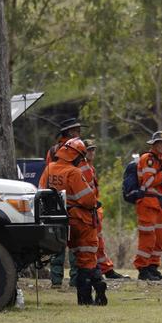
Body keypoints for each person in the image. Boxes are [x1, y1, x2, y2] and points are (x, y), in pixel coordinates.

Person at [40, 137, 107, 306]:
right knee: (86, 258)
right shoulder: (74, 172)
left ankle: (96, 291)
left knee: (80, 257)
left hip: (61, 222)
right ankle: (87, 297)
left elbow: (42, 192)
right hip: (81, 221)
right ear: (74, 155)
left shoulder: (49, 169)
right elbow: (87, 199)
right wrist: (95, 203)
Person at [40, 118, 82, 288]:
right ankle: (75, 280)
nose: (79, 133)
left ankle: (56, 280)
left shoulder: (53, 150)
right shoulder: (76, 149)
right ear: (69, 132)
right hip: (73, 202)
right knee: (74, 243)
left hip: (54, 202)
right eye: (76, 130)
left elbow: (48, 173)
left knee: (58, 240)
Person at [82, 139, 129, 280]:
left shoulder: (90, 167)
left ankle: (106, 269)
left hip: (94, 210)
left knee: (99, 241)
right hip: (88, 210)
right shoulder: (82, 166)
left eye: (93, 150)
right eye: (89, 150)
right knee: (92, 242)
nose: (91, 152)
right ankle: (98, 270)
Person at [134, 131, 162, 281]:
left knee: (159, 239)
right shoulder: (148, 159)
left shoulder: (160, 160)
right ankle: (143, 269)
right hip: (147, 203)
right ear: (154, 144)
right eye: (161, 143)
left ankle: (153, 267)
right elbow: (147, 182)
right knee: (147, 238)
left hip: (157, 203)